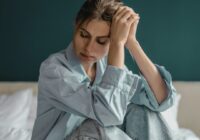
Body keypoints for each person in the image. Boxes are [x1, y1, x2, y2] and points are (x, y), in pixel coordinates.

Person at [31, 0, 177, 140]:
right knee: (96, 126)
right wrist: (117, 44)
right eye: (84, 35)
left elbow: (160, 98)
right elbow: (108, 113)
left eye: (101, 41)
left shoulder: (107, 68)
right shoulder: (53, 70)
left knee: (143, 110)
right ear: (76, 25)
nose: (89, 48)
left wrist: (131, 42)